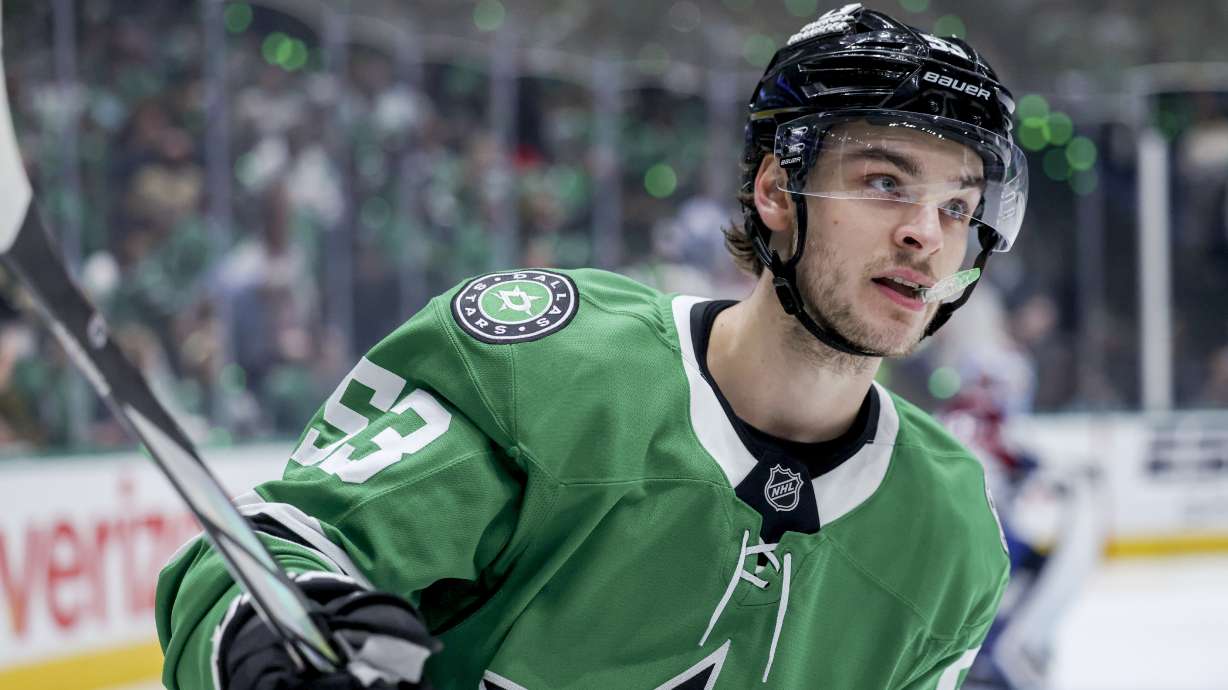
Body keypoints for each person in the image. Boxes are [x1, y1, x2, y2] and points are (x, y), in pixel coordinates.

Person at [156, 5, 1028, 688]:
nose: (926, 235)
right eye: (884, 182)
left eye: (958, 206)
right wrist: (280, 637)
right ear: (776, 189)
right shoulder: (553, 370)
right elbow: (266, 555)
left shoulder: (951, 539)